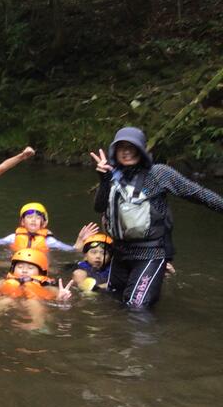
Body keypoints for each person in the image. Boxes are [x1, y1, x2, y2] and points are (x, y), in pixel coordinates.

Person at [91, 126, 223, 307]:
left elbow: (198, 194)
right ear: (115, 151)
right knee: (112, 302)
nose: (126, 152)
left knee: (136, 307)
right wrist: (103, 180)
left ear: (141, 150)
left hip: (150, 253)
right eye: (121, 147)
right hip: (120, 252)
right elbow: (99, 207)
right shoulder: (112, 175)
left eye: (131, 147)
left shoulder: (159, 173)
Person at [0, 248, 73, 330]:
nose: (24, 270)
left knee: (33, 302)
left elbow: (57, 294)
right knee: (7, 300)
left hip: (37, 310)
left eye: (30, 268)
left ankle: (39, 325)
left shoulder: (45, 286)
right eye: (20, 267)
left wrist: (62, 298)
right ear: (13, 269)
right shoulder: (5, 282)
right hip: (13, 306)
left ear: (40, 272)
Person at [0, 203, 98, 252]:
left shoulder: (49, 240)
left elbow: (72, 251)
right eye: (29, 217)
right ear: (22, 222)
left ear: (43, 223)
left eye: (37, 218)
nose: (33, 220)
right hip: (19, 266)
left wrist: (80, 239)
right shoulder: (13, 237)